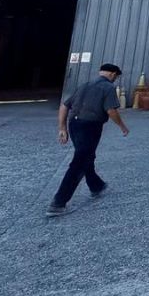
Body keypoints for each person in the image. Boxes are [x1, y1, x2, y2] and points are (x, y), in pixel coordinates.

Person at [47, 63, 129, 216]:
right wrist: (122, 126)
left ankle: (96, 185)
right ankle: (58, 203)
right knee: (79, 162)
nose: (115, 79)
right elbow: (111, 110)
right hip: (90, 127)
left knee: (85, 156)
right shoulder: (108, 87)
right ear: (113, 74)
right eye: (116, 77)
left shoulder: (85, 85)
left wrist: (62, 128)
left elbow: (64, 106)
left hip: (74, 125)